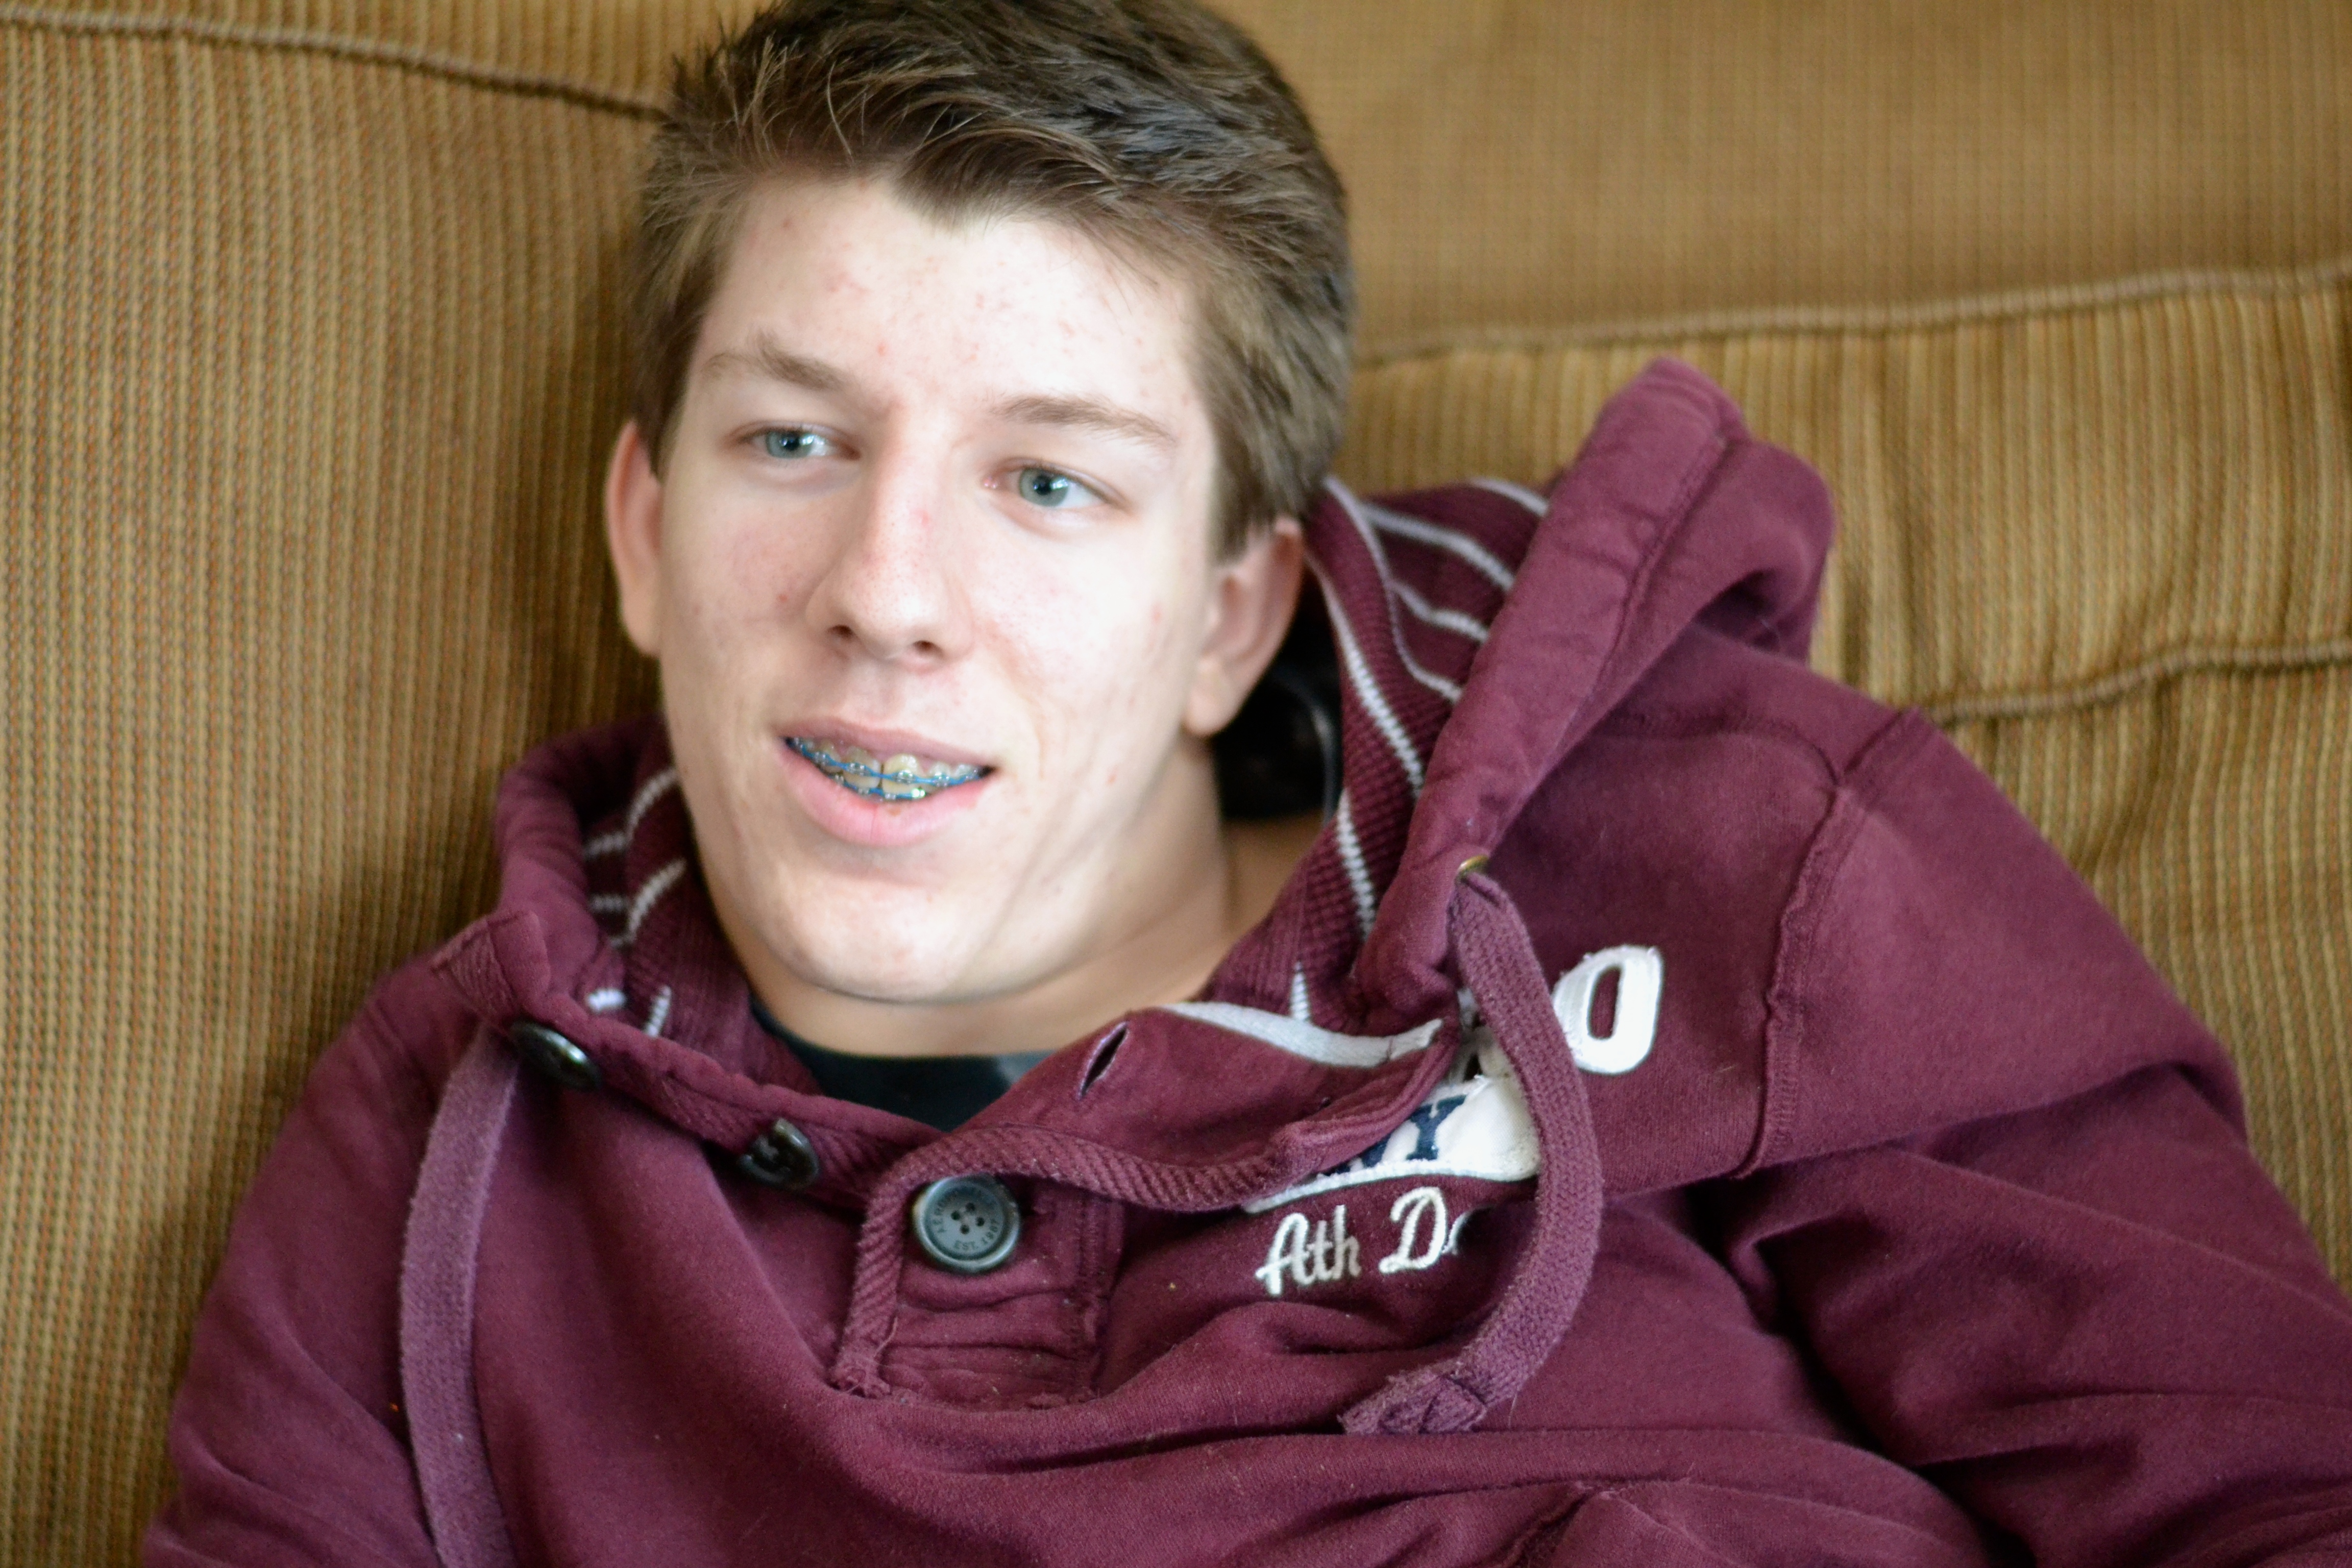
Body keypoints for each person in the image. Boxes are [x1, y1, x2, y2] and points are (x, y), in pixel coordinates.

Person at [148, 0, 2352, 1562]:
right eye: (794, 441)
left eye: (1049, 481)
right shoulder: (457, 1136)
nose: (886, 593)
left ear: (1232, 614)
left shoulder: (1729, 844)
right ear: (644, 529)